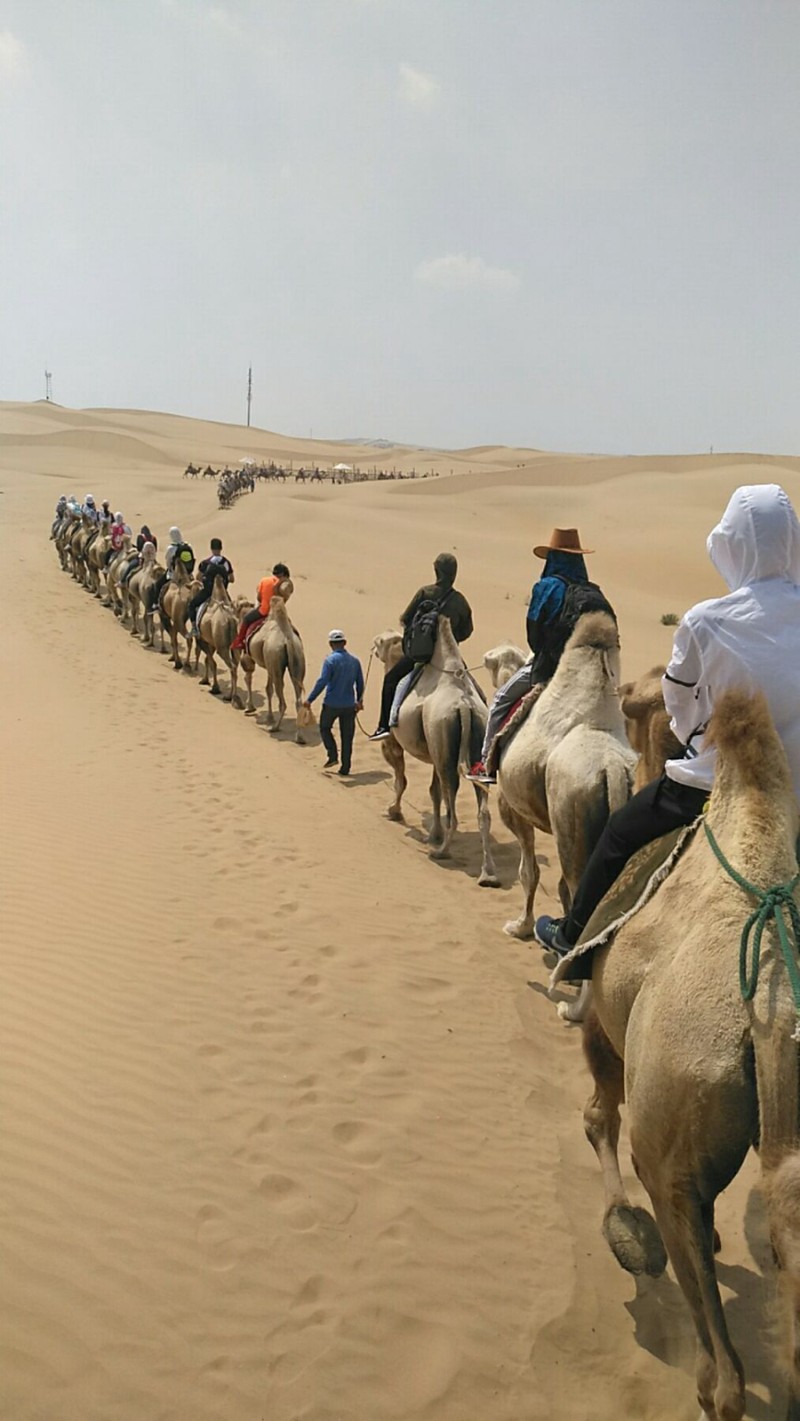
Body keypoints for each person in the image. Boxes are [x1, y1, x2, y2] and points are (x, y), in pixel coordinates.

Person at [535, 484, 800, 960]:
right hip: (795, 794)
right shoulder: (594, 593)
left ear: (731, 543)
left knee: (618, 833)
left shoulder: (707, 620)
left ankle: (574, 937)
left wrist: (693, 733)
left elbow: (679, 703)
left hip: (716, 786)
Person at [467, 528, 614, 784]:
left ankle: (485, 765)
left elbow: (534, 637)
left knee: (501, 700)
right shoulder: (595, 592)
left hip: (551, 668)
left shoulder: (547, 588)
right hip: (597, 673)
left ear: (553, 558)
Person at [369, 552, 473, 740]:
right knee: (475, 692)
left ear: (436, 571)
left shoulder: (425, 593)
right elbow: (467, 631)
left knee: (391, 680)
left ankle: (384, 725)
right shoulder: (461, 601)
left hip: (421, 655)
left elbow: (405, 619)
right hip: (450, 657)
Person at [304, 630, 364, 776]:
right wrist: (359, 701)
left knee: (324, 728)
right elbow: (360, 684)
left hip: (331, 703)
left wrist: (310, 699)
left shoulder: (330, 661)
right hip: (349, 705)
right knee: (347, 737)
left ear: (331, 644)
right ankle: (345, 768)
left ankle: (332, 755)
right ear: (344, 643)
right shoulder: (355, 661)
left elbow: (322, 681)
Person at [231, 562, 291, 650]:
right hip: (278, 614)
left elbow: (259, 598)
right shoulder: (285, 586)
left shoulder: (265, 581)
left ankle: (239, 641)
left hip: (264, 611)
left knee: (247, 618)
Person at [185, 538, 235, 638]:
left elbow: (198, 577)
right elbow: (232, 579)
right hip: (223, 593)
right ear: (221, 548)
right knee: (233, 610)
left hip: (208, 592)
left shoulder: (205, 563)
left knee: (192, 605)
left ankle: (194, 628)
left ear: (211, 548)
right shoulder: (226, 563)